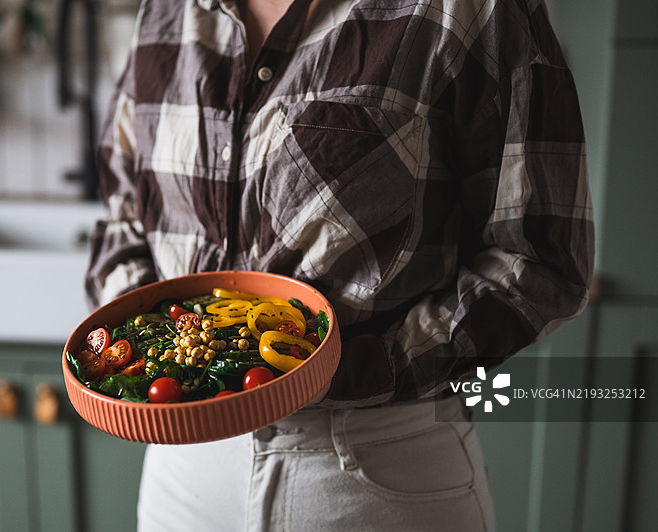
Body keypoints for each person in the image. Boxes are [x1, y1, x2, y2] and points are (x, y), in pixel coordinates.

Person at [85, 0, 594, 530]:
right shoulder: (166, 10)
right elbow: (123, 209)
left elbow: (540, 262)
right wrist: (147, 354)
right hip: (182, 468)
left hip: (373, 469)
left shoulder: (470, 10)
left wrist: (338, 370)